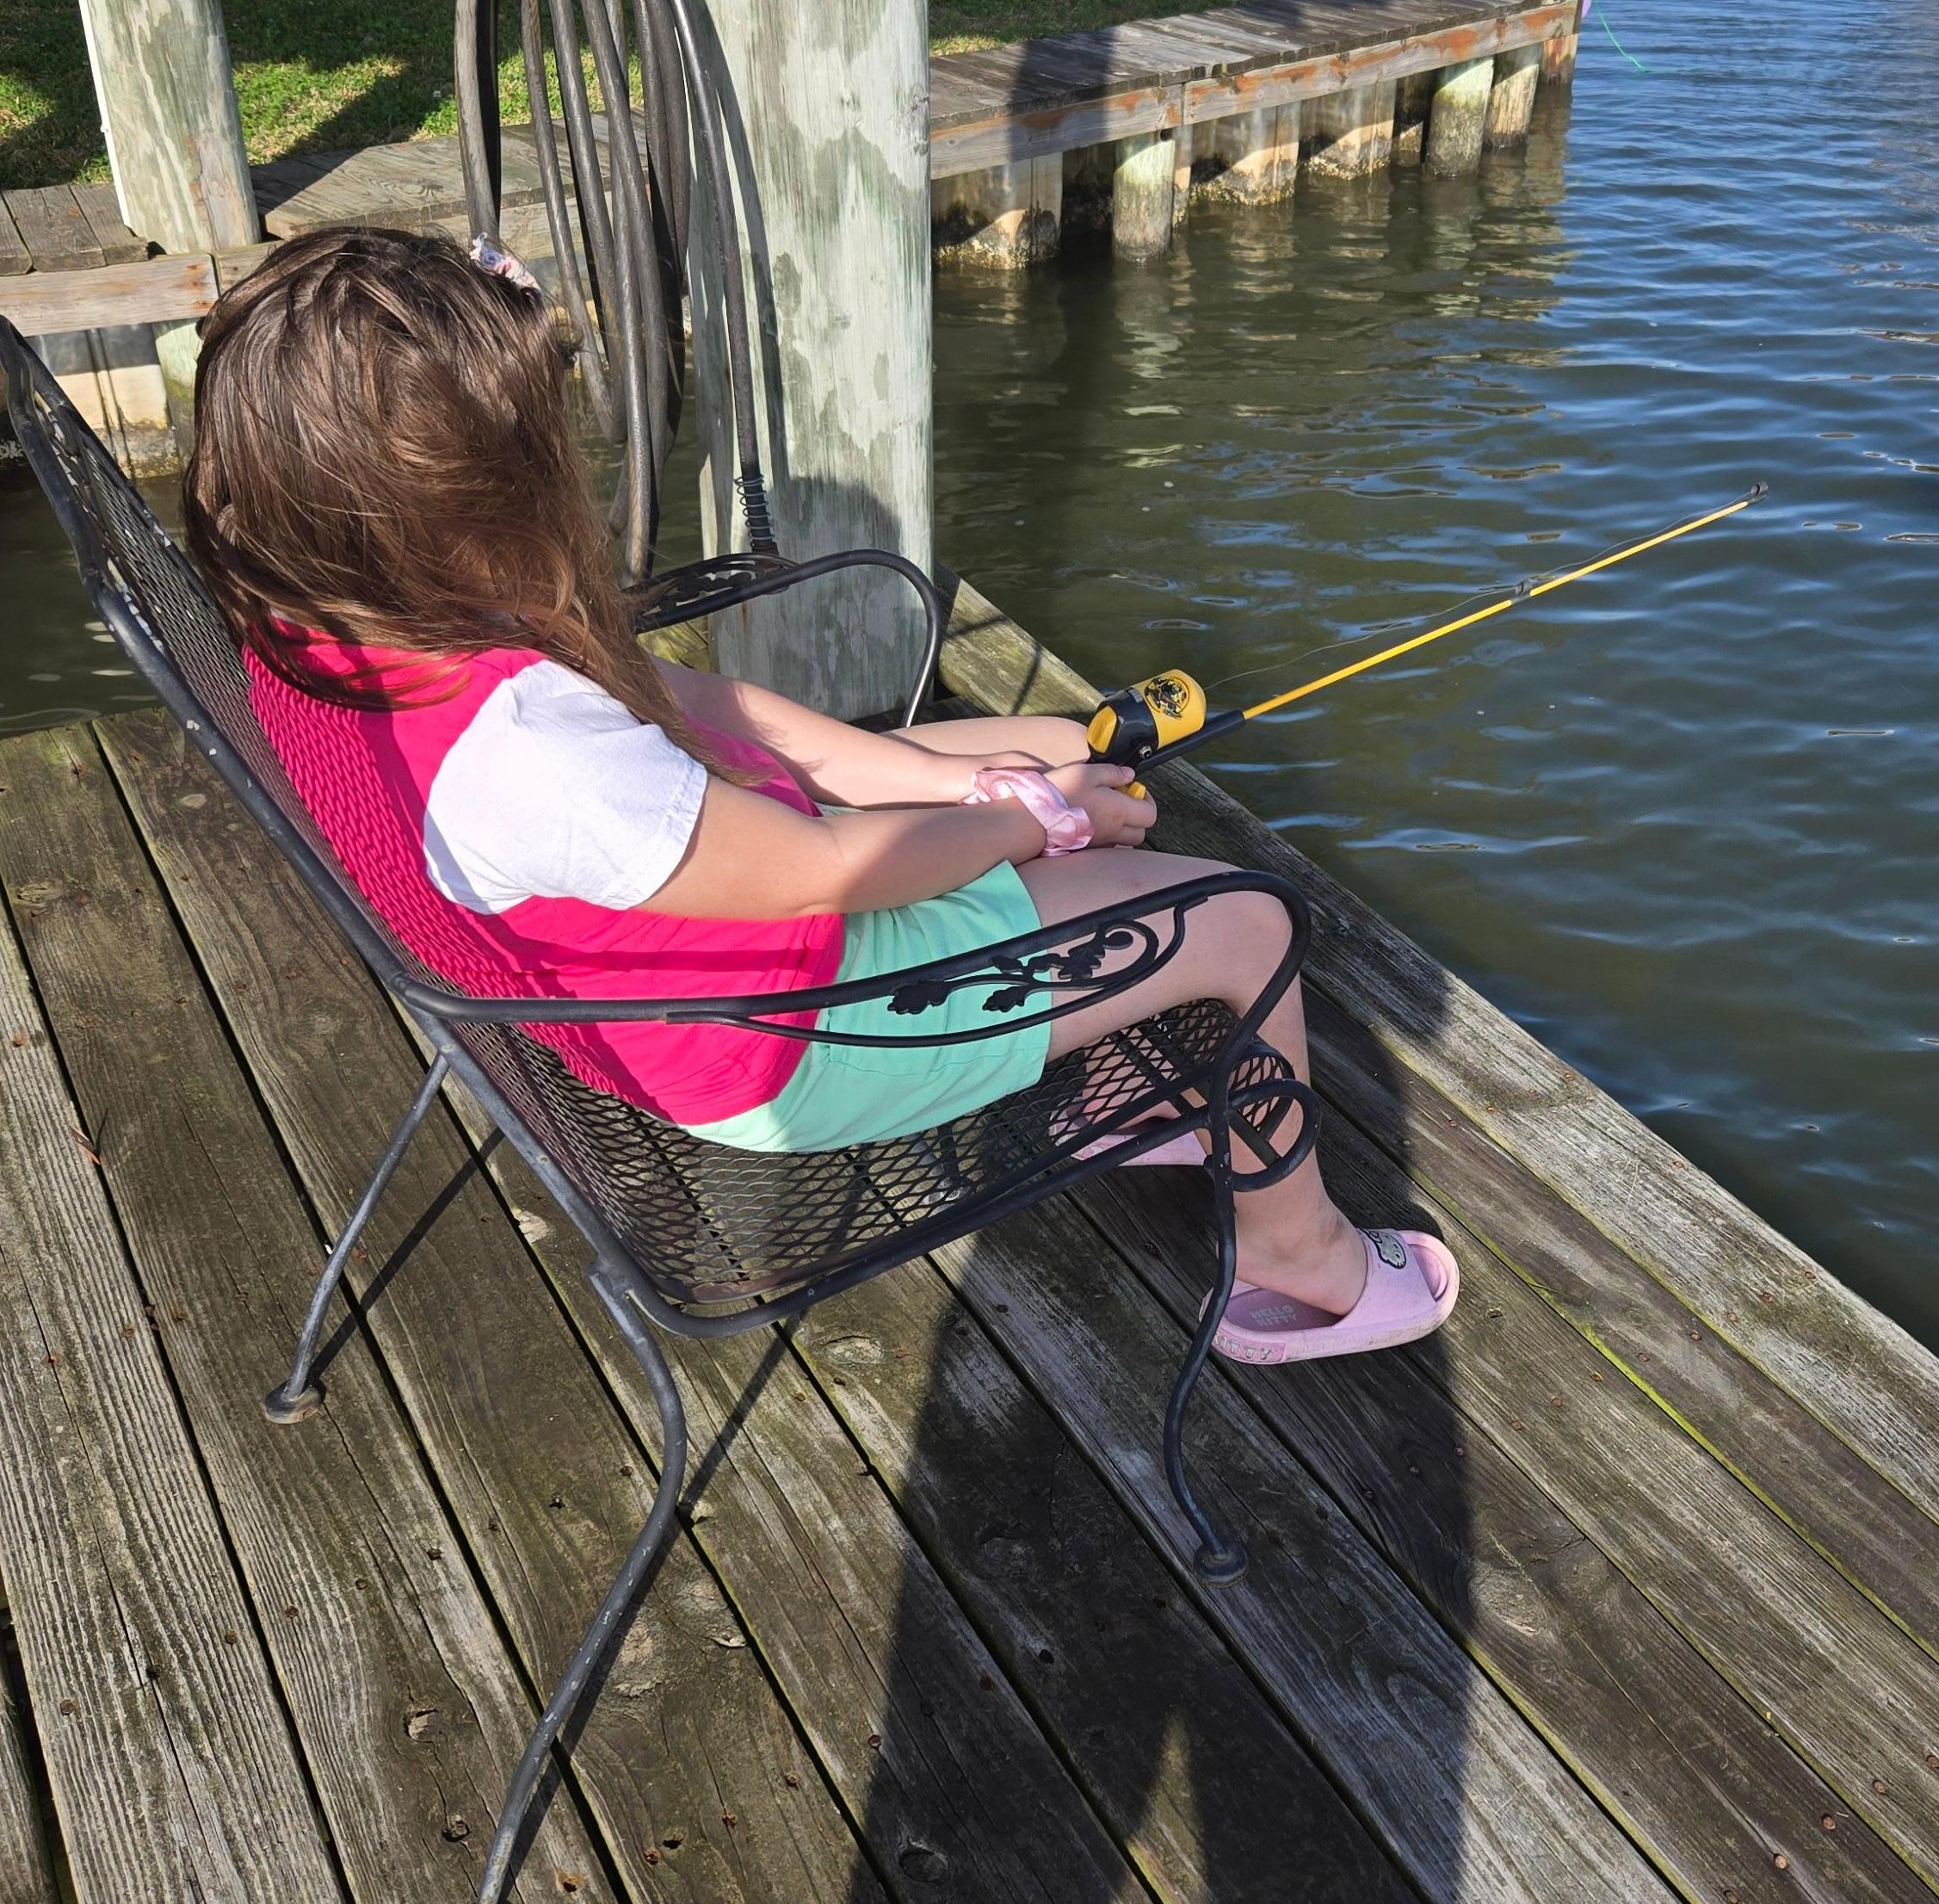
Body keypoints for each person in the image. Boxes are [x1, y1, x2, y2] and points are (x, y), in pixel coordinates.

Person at [182, 226, 1456, 1364]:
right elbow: (835, 874)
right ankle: (1297, 1259)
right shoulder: (529, 753)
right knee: (1244, 918)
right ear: (472, 498)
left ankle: (1146, 1081)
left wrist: (959, 779)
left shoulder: (329, 614)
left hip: (641, 974)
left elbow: (705, 706)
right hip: (790, 1043)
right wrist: (1027, 820)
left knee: (1048, 738)